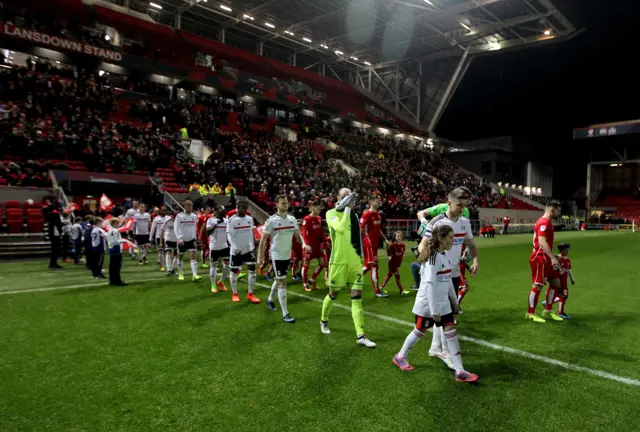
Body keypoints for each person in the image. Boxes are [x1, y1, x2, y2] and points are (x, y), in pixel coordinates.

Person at [392, 224, 479, 383]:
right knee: (419, 331)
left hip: (443, 303)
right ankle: (400, 357)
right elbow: (430, 286)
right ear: (441, 239)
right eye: (451, 237)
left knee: (451, 332)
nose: (454, 240)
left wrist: (454, 303)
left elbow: (447, 283)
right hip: (427, 305)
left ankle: (460, 370)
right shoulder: (432, 258)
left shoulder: (445, 255)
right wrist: (434, 311)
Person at [423, 188, 479, 360]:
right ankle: (444, 351)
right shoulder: (437, 222)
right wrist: (428, 263)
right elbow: (423, 245)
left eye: (465, 206)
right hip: (438, 274)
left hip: (453, 273)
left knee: (448, 313)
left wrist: (475, 260)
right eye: (459, 205)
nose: (462, 208)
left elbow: (470, 244)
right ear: (448, 202)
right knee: (443, 314)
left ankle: (436, 348)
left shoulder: (464, 222)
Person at [320, 188, 376, 348]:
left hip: (354, 263)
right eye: (344, 197)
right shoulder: (331, 213)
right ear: (338, 198)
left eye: (349, 197)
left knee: (357, 296)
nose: (347, 200)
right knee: (333, 294)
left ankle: (360, 335)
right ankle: (323, 320)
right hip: (338, 262)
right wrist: (347, 210)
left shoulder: (355, 215)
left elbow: (357, 237)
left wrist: (361, 259)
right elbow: (340, 228)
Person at [258, 195, 306, 323]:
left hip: (287, 255)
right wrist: (260, 256)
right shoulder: (271, 221)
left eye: (287, 203)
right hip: (276, 255)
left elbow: (298, 235)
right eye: (283, 203)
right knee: (282, 282)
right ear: (276, 205)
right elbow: (263, 240)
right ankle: (286, 313)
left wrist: (304, 243)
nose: (285, 205)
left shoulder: (292, 219)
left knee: (279, 278)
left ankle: (269, 299)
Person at [526, 201, 563, 323]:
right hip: (539, 258)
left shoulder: (548, 223)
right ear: (552, 210)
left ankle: (547, 310)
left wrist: (553, 256)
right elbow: (541, 242)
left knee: (555, 283)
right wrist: (552, 257)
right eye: (558, 210)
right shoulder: (544, 222)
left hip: (546, 257)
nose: (559, 213)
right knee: (537, 285)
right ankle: (530, 313)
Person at [226, 200, 260, 303]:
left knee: (253, 271)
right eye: (243, 208)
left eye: (246, 208)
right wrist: (235, 247)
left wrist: (253, 245)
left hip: (248, 249)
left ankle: (250, 293)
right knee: (234, 272)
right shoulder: (232, 220)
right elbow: (229, 236)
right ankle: (235, 293)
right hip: (236, 251)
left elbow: (251, 233)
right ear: (238, 208)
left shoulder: (249, 219)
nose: (245, 210)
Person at [360, 194, 387, 297]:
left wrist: (385, 239)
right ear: (371, 202)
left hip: (375, 245)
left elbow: (378, 230)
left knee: (368, 266)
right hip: (369, 244)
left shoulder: (378, 215)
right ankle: (377, 291)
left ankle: (353, 281)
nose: (379, 202)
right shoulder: (367, 214)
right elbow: (360, 227)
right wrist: (366, 240)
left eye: (379, 201)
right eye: (376, 201)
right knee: (374, 266)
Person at [542, 243, 575, 319]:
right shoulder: (557, 259)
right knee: (564, 296)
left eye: (568, 250)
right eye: (565, 250)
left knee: (561, 296)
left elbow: (569, 269)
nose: (567, 252)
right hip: (558, 281)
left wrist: (572, 278)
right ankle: (560, 312)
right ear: (561, 251)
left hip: (564, 281)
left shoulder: (567, 260)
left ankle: (548, 304)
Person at [301, 199, 326, 292]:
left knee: (322, 263)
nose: (318, 208)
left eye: (319, 207)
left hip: (317, 246)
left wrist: (324, 241)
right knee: (306, 264)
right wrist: (306, 244)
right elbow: (303, 232)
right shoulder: (306, 219)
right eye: (316, 207)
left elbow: (320, 232)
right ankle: (305, 284)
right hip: (309, 246)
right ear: (311, 208)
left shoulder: (319, 218)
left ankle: (312, 280)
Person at [174, 199, 202, 281]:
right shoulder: (179, 216)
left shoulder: (194, 216)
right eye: (188, 205)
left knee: (193, 257)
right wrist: (178, 239)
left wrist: (195, 238)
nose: (190, 207)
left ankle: (195, 275)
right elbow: (176, 228)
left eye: (191, 205)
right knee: (180, 257)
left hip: (191, 239)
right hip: (182, 240)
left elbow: (194, 228)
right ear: (185, 206)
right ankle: (181, 273)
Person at [205, 205, 230, 293]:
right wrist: (216, 224)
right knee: (214, 265)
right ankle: (213, 284)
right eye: (220, 211)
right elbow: (208, 232)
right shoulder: (210, 220)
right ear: (215, 211)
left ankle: (221, 282)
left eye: (223, 211)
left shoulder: (226, 221)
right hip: (214, 246)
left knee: (227, 264)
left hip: (224, 246)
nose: (222, 212)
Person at [381, 231, 410, 295]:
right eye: (398, 236)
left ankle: (381, 287)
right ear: (395, 237)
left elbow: (401, 255)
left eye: (400, 236)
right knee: (397, 276)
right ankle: (401, 290)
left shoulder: (403, 246)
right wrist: (390, 257)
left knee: (389, 275)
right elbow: (389, 255)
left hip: (397, 264)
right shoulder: (392, 245)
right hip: (392, 264)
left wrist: (399, 263)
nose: (399, 237)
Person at [107, 218, 128, 286]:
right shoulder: (115, 231)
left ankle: (112, 280)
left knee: (112, 266)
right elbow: (115, 241)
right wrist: (124, 241)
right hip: (115, 249)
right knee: (116, 266)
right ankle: (117, 281)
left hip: (111, 248)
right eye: (118, 223)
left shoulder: (109, 230)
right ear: (114, 223)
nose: (119, 224)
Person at [160, 210, 178, 276]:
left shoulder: (179, 221)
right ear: (172, 215)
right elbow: (162, 230)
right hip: (168, 239)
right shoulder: (167, 221)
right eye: (175, 215)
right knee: (168, 253)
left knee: (177, 255)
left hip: (176, 240)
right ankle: (168, 269)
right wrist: (161, 242)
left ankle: (173, 269)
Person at [46, 204, 63, 269]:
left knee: (56, 250)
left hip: (55, 235)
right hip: (55, 235)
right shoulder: (54, 215)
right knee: (55, 250)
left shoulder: (51, 215)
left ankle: (54, 263)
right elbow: (58, 224)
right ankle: (52, 264)